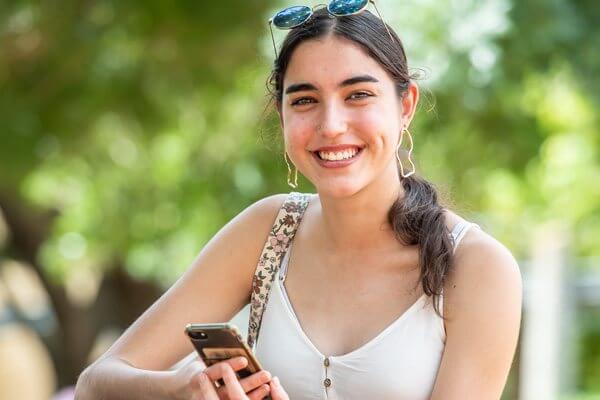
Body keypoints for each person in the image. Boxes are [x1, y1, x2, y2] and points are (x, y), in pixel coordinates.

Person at [74, 2, 522, 399]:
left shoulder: (478, 268)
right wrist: (178, 389)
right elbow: (96, 384)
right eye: (305, 100)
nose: (331, 125)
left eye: (358, 95)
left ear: (405, 105)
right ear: (283, 114)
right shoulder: (268, 231)